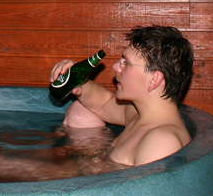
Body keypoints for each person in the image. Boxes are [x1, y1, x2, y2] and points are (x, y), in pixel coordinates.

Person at [49, 25, 193, 166]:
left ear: (154, 80)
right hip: (94, 170)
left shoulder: (161, 142)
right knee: (80, 110)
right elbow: (104, 103)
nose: (116, 67)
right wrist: (75, 80)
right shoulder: (138, 115)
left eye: (126, 63)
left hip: (98, 177)